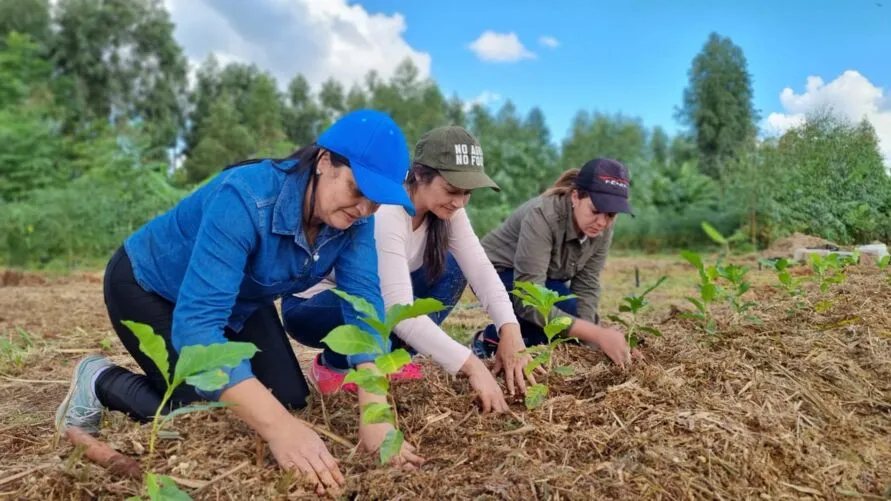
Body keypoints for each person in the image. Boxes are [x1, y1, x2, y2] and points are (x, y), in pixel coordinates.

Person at [54, 109, 423, 496]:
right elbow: (197, 328)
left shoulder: (354, 223)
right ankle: (98, 379)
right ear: (324, 161)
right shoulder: (246, 197)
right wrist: (279, 429)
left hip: (238, 298)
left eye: (377, 201)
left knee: (291, 401)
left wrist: (376, 415)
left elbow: (365, 305)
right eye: (357, 190)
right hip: (152, 287)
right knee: (206, 414)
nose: (364, 209)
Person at [283, 126, 537, 411]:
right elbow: (397, 310)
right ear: (418, 175)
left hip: (380, 301)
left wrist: (509, 329)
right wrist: (472, 366)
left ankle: (395, 359)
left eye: (467, 193)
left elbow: (480, 267)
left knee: (454, 268)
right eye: (452, 189)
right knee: (371, 302)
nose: (459, 201)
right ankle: (333, 366)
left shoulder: (450, 212)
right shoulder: (387, 211)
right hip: (317, 306)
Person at [471, 158, 635, 368]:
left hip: (543, 280)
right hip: (497, 273)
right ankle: (488, 342)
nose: (602, 222)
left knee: (574, 320)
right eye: (595, 210)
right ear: (575, 196)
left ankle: (517, 338)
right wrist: (598, 334)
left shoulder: (601, 228)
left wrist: (594, 344)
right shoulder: (543, 215)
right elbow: (529, 298)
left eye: (611, 215)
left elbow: (587, 285)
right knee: (558, 317)